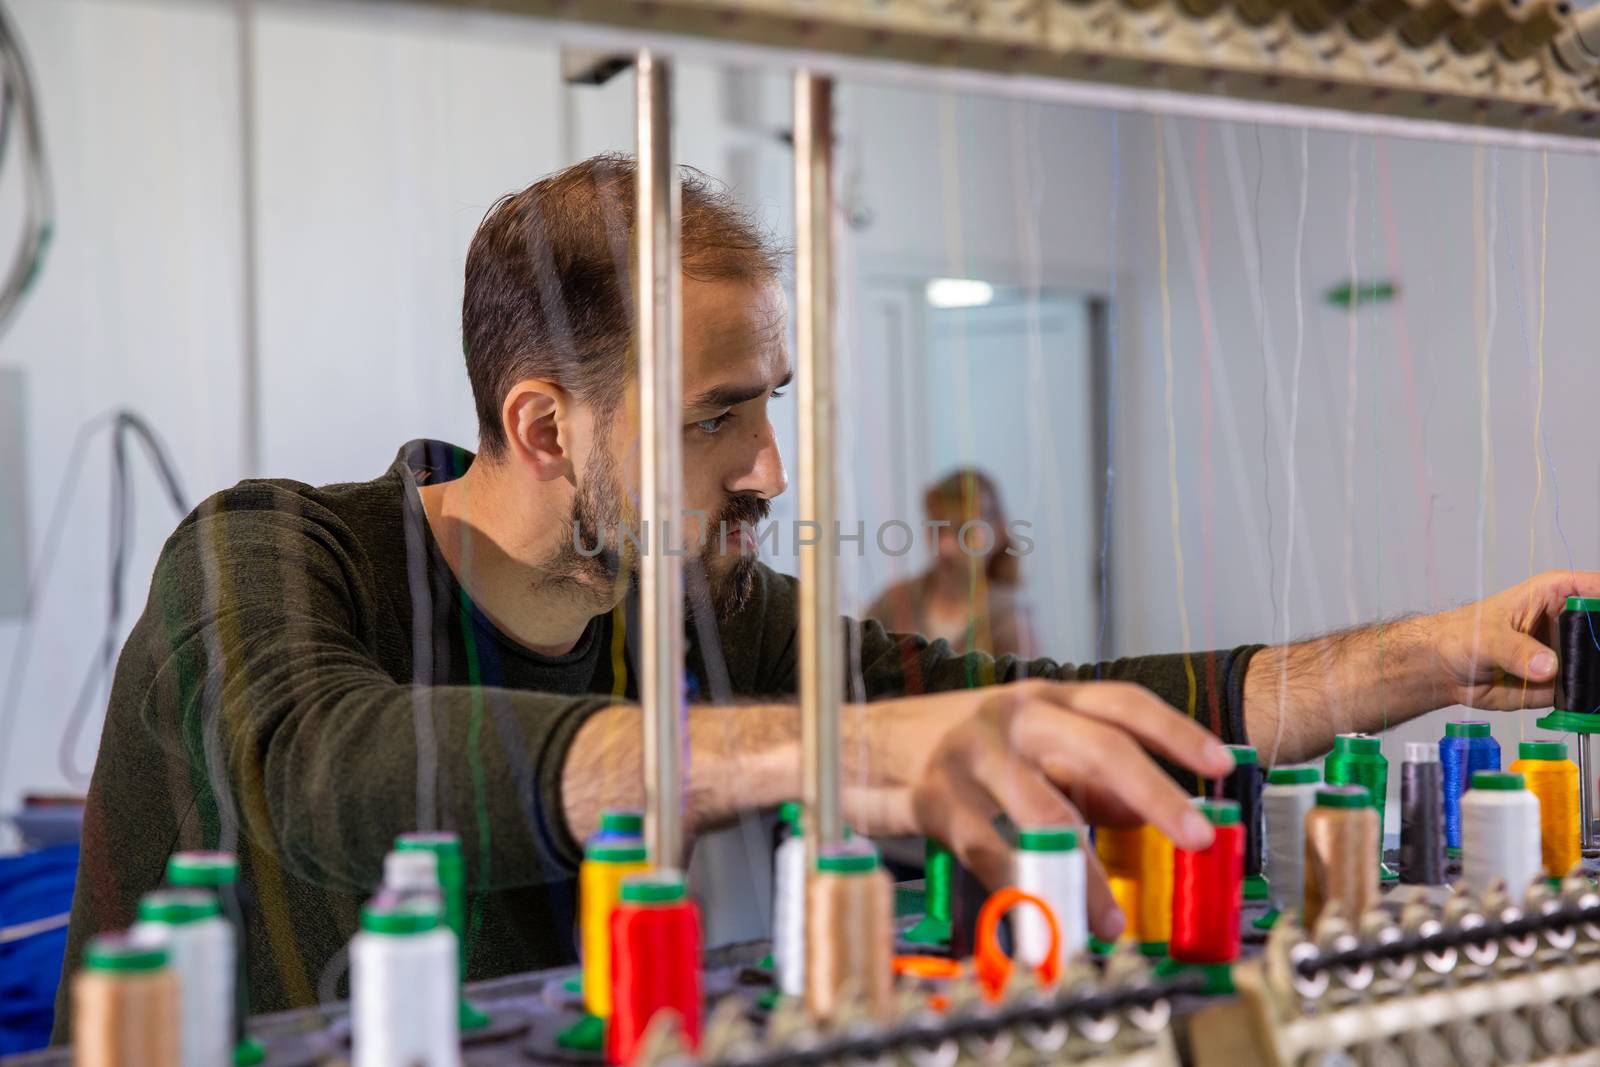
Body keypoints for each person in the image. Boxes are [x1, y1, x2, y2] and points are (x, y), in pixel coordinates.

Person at [54, 153, 1600, 1024]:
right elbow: (330, 762)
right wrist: (833, 751)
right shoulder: (264, 556)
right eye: (715, 415)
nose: (771, 470)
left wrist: (1435, 655)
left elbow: (1037, 705)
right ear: (541, 424)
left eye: (770, 402)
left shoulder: (692, 612)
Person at [867, 469, 1034, 658]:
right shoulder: (894, 602)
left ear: (996, 533)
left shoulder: (1011, 621)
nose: (945, 547)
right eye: (937, 529)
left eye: (964, 531)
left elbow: (1023, 687)